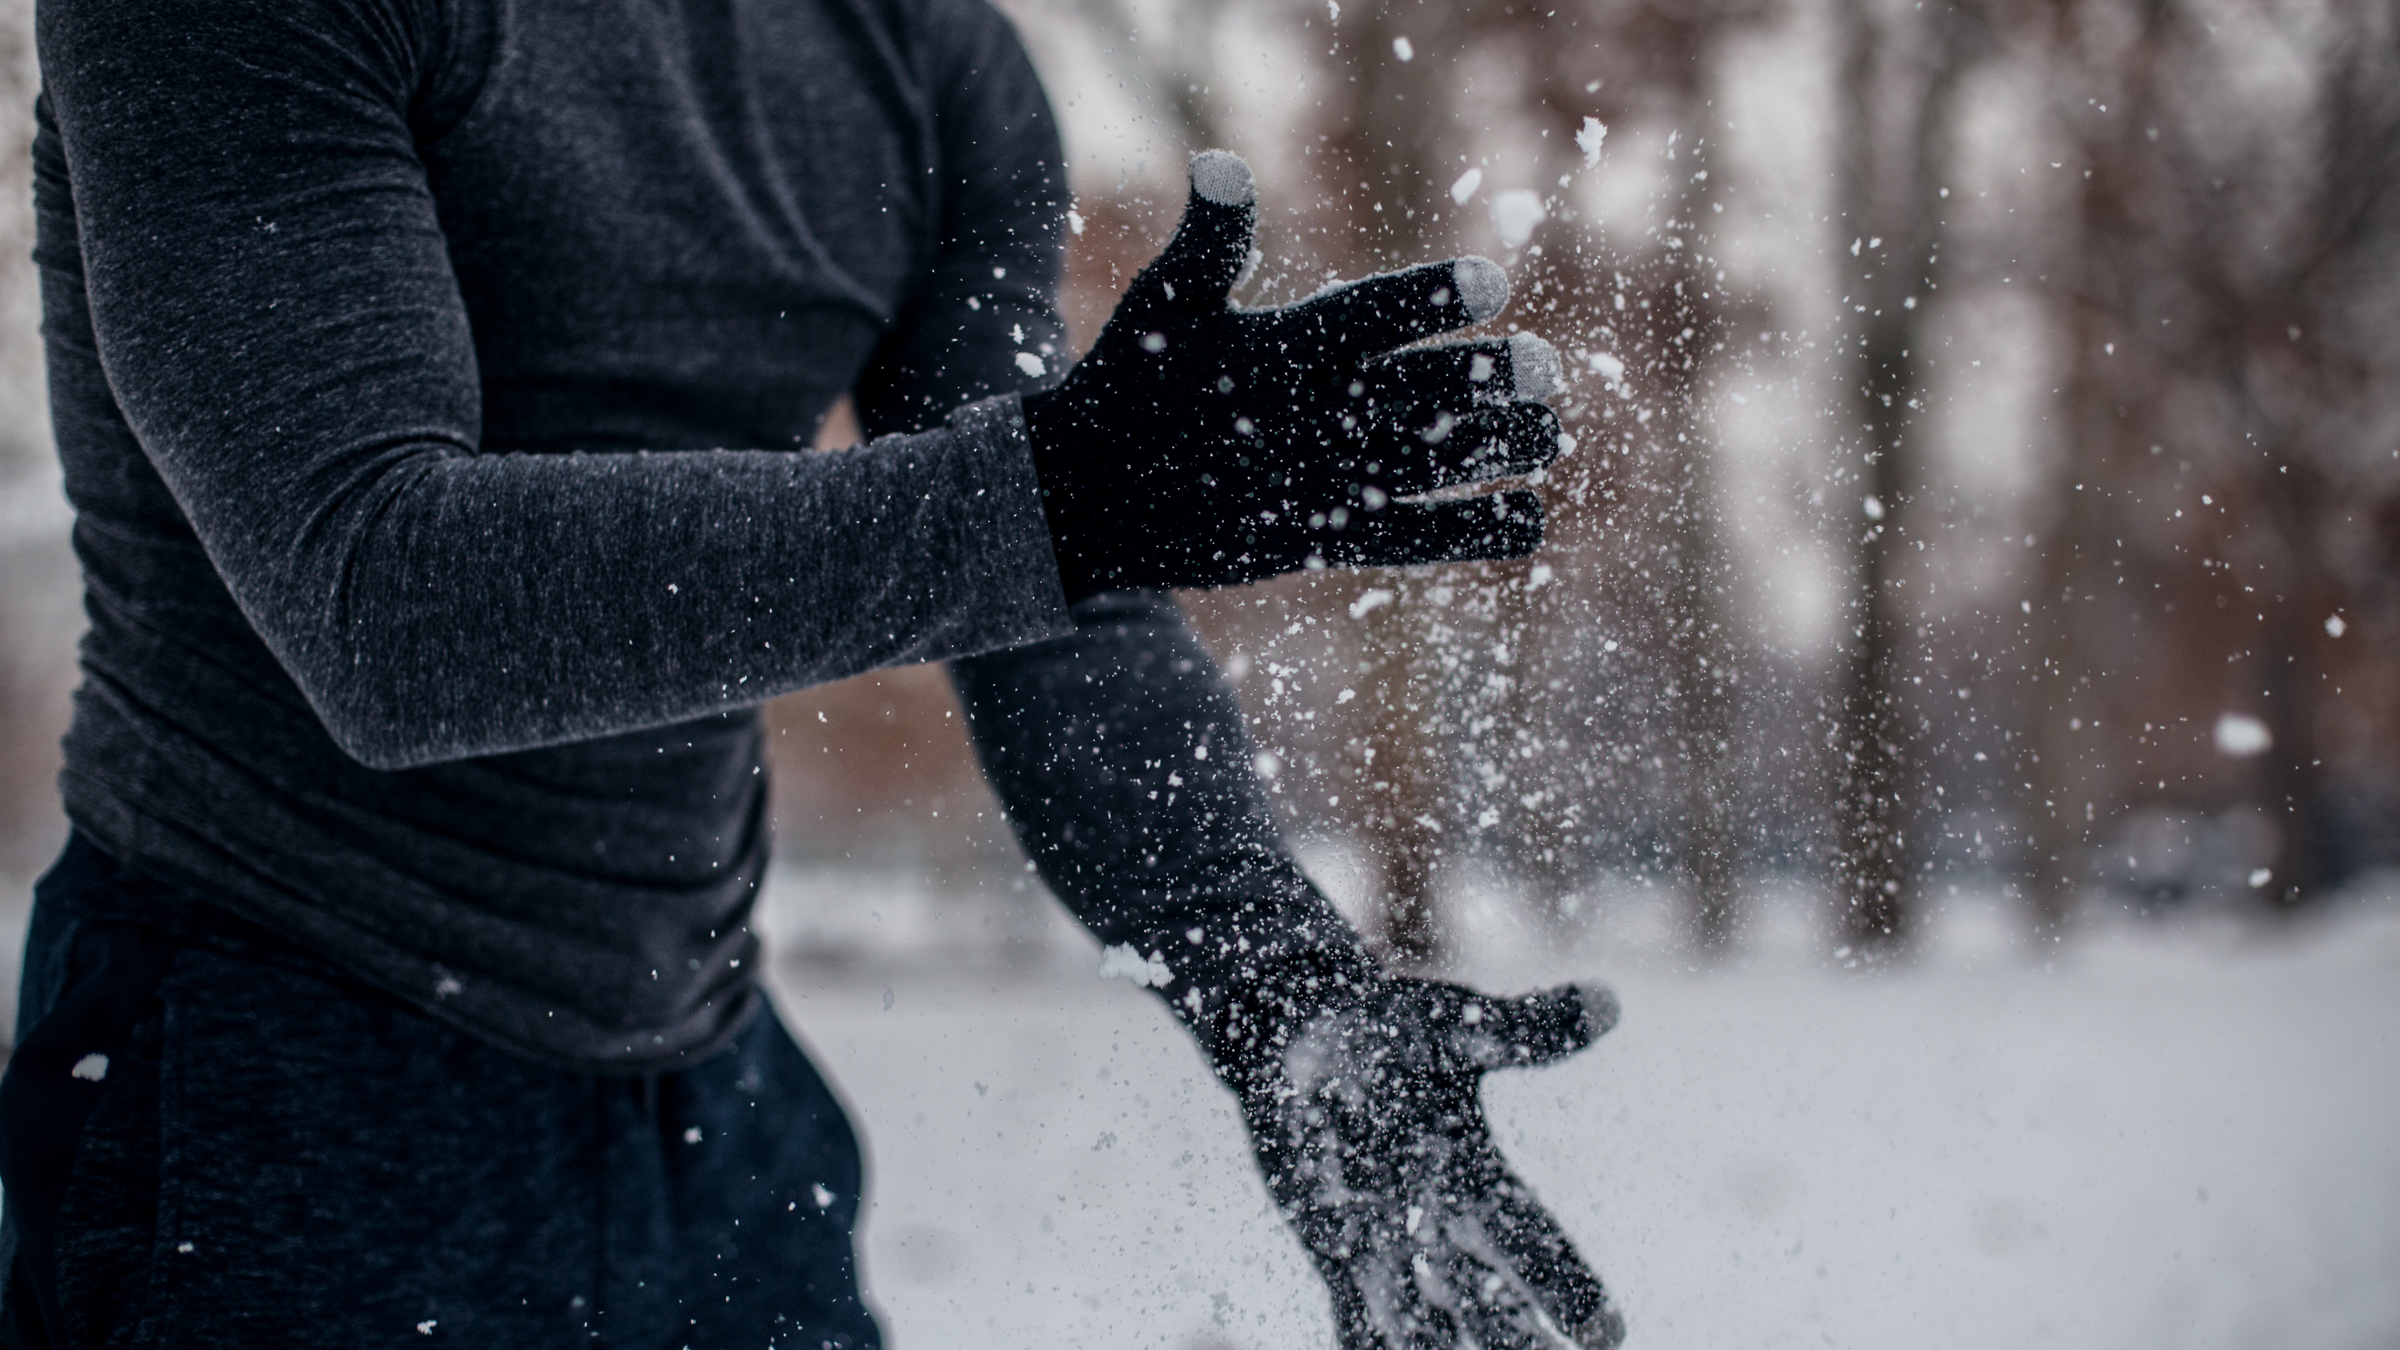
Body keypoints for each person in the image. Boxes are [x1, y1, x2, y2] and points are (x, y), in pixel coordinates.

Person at [0, 0, 1626, 1343]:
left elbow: (1058, 584)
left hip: (705, 1101)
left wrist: (1276, 982)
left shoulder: (924, 59)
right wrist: (1059, 497)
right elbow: (380, 601)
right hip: (268, 1073)